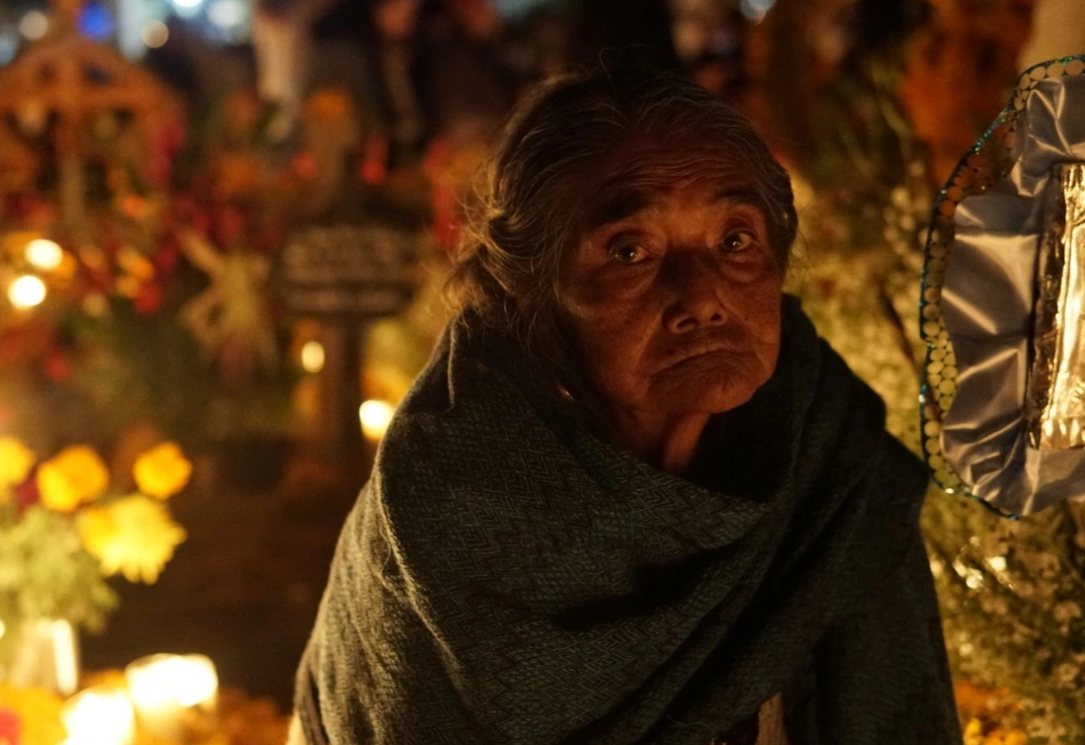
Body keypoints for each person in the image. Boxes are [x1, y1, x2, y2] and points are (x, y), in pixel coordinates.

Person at [290, 67, 961, 745]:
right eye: (629, 250)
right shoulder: (453, 508)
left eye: (735, 240)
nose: (703, 295)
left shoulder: (833, 465)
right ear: (535, 298)